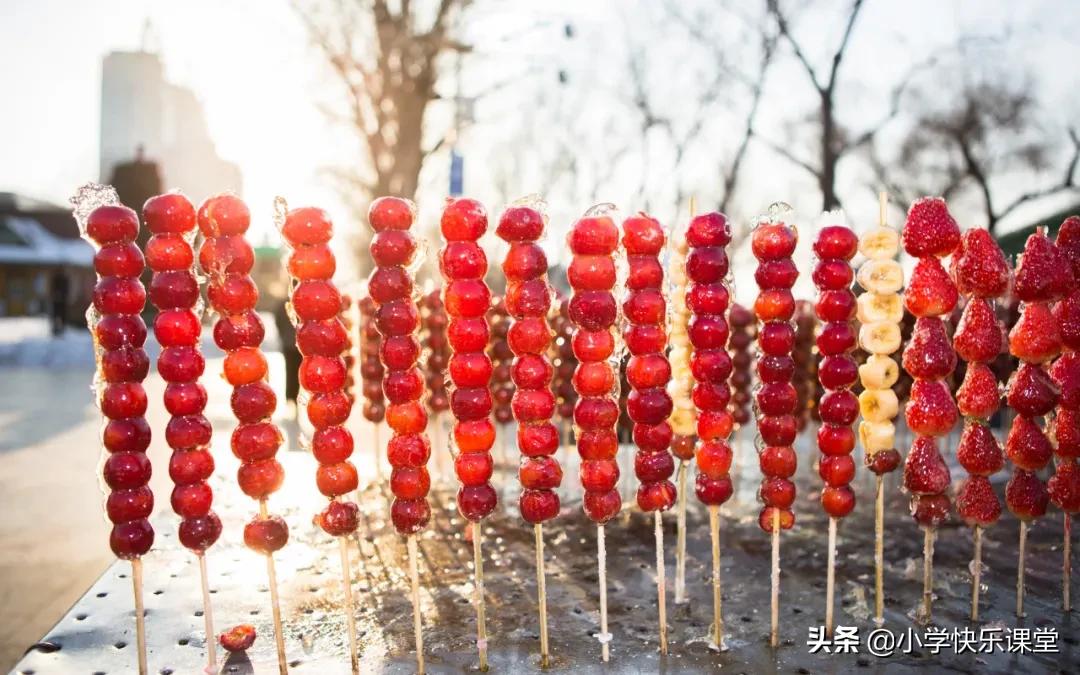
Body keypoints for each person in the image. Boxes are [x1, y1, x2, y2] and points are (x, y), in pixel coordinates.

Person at [49, 268, 70, 336]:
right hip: (57, 300)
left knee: (61, 315)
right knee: (56, 315)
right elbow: (52, 288)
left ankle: (61, 329)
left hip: (62, 301)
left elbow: (67, 289)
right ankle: (55, 329)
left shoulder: (65, 279)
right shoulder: (56, 279)